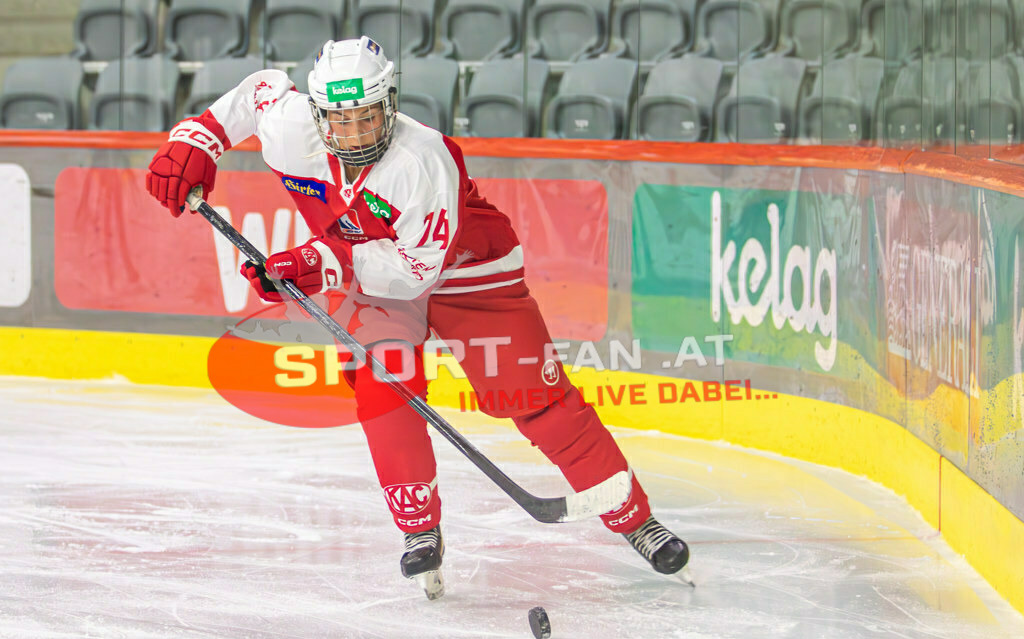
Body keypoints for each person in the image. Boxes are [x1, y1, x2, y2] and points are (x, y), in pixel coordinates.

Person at [145, 36, 689, 597]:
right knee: (385, 386)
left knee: (534, 398)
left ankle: (635, 519)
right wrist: (199, 139)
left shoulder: (423, 159)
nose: (355, 135)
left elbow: (414, 273)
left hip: (467, 269)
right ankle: (418, 529)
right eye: (340, 120)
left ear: (391, 104)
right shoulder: (291, 130)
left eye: (368, 118)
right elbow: (258, 91)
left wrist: (318, 261)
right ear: (317, 114)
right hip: (366, 271)